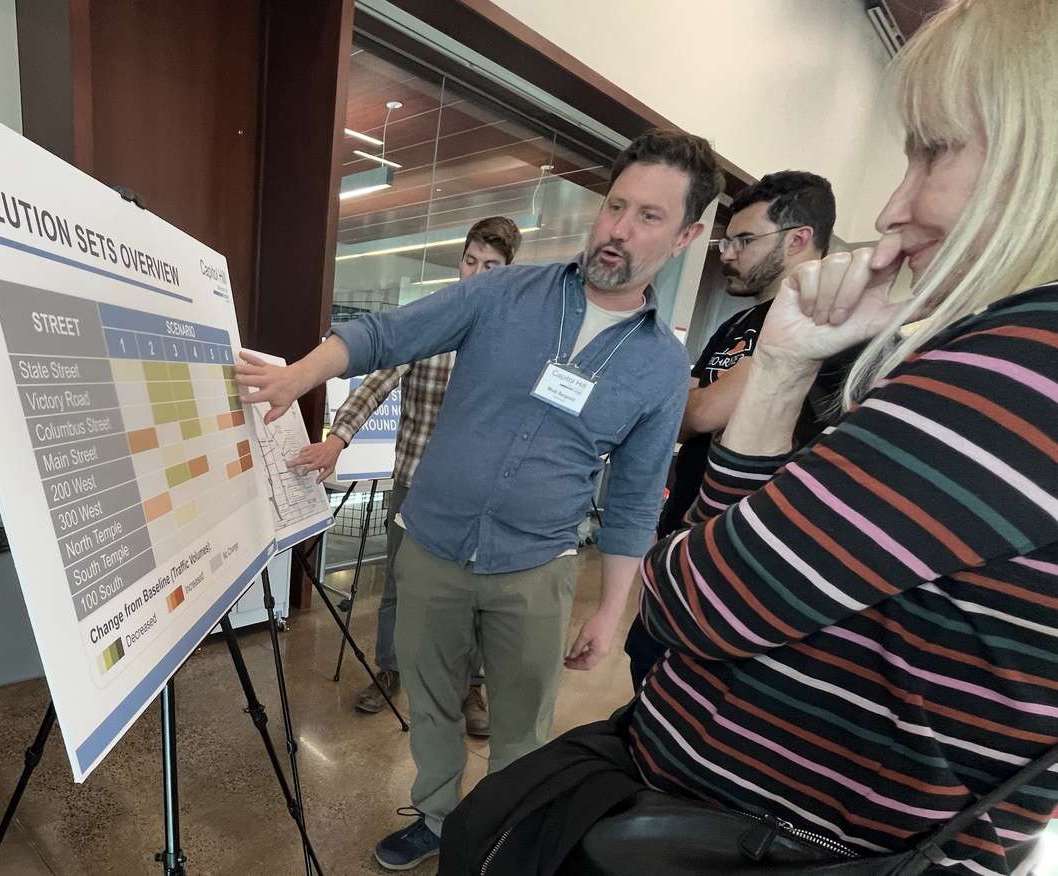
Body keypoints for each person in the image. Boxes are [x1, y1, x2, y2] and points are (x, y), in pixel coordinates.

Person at [443, 1, 1058, 873]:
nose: (896, 204)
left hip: (756, 841)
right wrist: (778, 369)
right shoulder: (990, 358)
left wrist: (650, 580)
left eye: (936, 148)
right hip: (725, 811)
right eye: (614, 206)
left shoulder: (1018, 373)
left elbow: (694, 599)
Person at [235, 128, 724, 871]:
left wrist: (611, 606)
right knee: (430, 707)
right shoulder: (503, 294)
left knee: (521, 729)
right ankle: (435, 817)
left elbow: (633, 500)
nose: (619, 229)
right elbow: (386, 334)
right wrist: (301, 374)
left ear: (687, 234)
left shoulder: (661, 368)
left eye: (649, 217)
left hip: (536, 571)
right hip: (431, 551)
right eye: (615, 205)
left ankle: (502, 835)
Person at [291, 216, 522, 732]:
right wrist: (336, 439)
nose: (476, 274)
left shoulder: (517, 338)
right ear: (460, 260)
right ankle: (390, 670)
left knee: (478, 592)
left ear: (509, 271)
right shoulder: (433, 320)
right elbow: (376, 383)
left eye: (492, 266)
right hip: (416, 486)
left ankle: (472, 688)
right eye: (470, 261)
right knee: (400, 584)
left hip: (481, 497)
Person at [623, 171, 844, 687]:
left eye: (744, 240)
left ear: (798, 239)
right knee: (648, 659)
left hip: (747, 552)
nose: (727, 252)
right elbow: (683, 416)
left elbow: (695, 412)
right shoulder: (735, 325)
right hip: (686, 528)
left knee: (695, 682)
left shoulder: (822, 325)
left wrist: (697, 404)